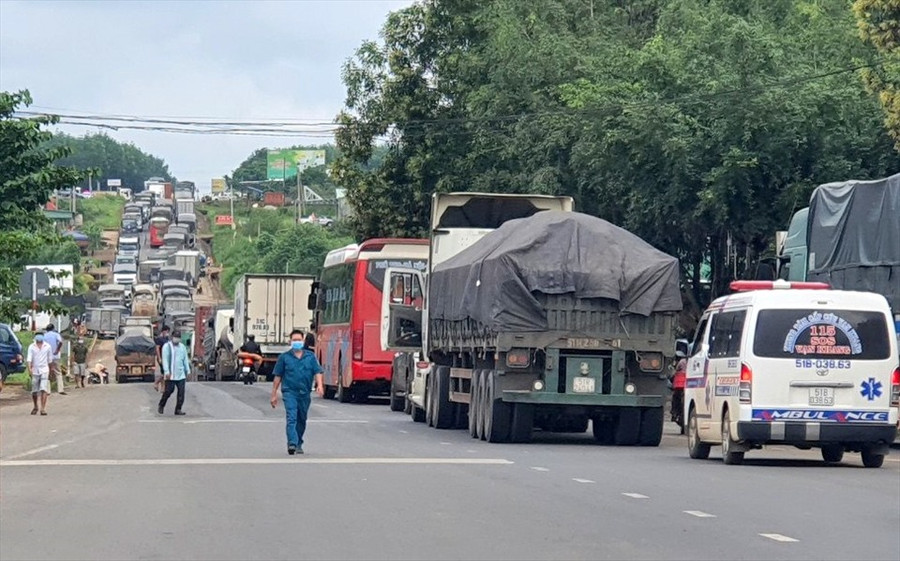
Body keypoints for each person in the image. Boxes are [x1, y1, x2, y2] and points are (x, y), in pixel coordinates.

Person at [270, 329, 324, 455]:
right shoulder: (284, 358)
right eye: (294, 340)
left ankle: (299, 442)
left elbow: (317, 371)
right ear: (290, 341)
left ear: (303, 340)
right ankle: (292, 443)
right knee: (291, 417)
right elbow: (277, 377)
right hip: (290, 392)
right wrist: (274, 394)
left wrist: (320, 385)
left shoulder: (310, 357)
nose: (297, 342)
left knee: (301, 418)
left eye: (299, 340)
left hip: (304, 393)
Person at [158, 330, 191, 416]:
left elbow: (185, 360)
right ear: (172, 337)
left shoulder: (182, 347)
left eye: (178, 337)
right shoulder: (167, 347)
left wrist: (188, 371)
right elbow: (165, 359)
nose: (177, 339)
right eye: (175, 337)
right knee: (169, 391)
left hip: (180, 374)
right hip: (170, 374)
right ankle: (161, 404)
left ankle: (178, 409)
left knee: (181, 392)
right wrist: (167, 372)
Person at [27, 333, 54, 415]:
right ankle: (35, 406)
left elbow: (50, 360)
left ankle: (43, 408)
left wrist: (51, 370)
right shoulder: (31, 347)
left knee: (43, 389)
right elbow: (29, 359)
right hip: (35, 370)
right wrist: (29, 369)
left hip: (44, 369)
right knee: (34, 391)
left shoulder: (47, 346)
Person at [42, 323, 66, 395]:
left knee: (47, 373)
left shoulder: (44, 336)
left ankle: (48, 391)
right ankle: (60, 389)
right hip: (56, 356)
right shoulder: (56, 335)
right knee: (58, 373)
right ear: (53, 328)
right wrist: (57, 350)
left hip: (47, 357)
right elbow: (60, 342)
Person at [154, 325, 170, 393]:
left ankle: (163, 388)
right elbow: (157, 349)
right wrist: (159, 358)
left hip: (166, 358)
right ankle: (156, 383)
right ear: (164, 331)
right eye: (167, 331)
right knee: (165, 373)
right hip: (162, 358)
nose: (167, 333)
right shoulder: (159, 339)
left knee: (163, 372)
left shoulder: (166, 338)